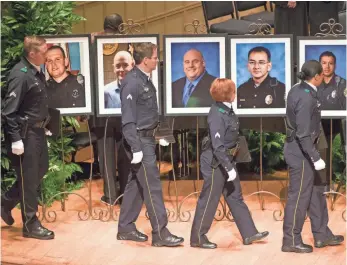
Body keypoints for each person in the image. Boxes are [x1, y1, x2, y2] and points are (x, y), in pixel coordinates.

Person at [117, 42, 184, 247]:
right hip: (138, 141)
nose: (157, 60)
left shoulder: (145, 79)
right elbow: (128, 119)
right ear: (145, 60)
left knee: (136, 185)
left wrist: (159, 133)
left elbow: (149, 111)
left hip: (147, 138)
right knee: (152, 186)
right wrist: (136, 148)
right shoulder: (132, 83)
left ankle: (126, 227)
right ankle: (160, 233)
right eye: (155, 57)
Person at [190, 78, 269, 249]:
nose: (236, 93)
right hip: (215, 162)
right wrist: (228, 167)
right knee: (210, 199)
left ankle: (249, 233)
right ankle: (197, 237)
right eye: (233, 91)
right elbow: (218, 146)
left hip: (226, 160)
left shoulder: (227, 110)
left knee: (235, 196)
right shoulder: (217, 114)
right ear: (228, 94)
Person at [282, 60, 344, 253]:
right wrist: (315, 157)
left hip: (307, 150)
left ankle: (321, 234)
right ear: (316, 77)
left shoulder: (299, 89)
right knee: (299, 197)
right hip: (301, 153)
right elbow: (302, 133)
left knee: (316, 193)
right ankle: (291, 240)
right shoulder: (306, 97)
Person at [1, 36, 54, 240]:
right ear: (32, 53)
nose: (47, 55)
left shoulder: (36, 72)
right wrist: (15, 139)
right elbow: (8, 111)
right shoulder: (21, 75)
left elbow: (35, 103)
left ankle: (5, 202)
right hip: (26, 135)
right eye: (43, 52)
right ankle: (30, 225)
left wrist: (45, 124)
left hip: (38, 131)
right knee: (30, 179)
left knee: (40, 170)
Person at [90, 13, 130, 205]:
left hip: (101, 108)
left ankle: (111, 195)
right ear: (120, 26)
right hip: (124, 107)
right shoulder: (128, 43)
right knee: (124, 152)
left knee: (105, 155)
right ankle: (125, 192)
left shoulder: (92, 43)